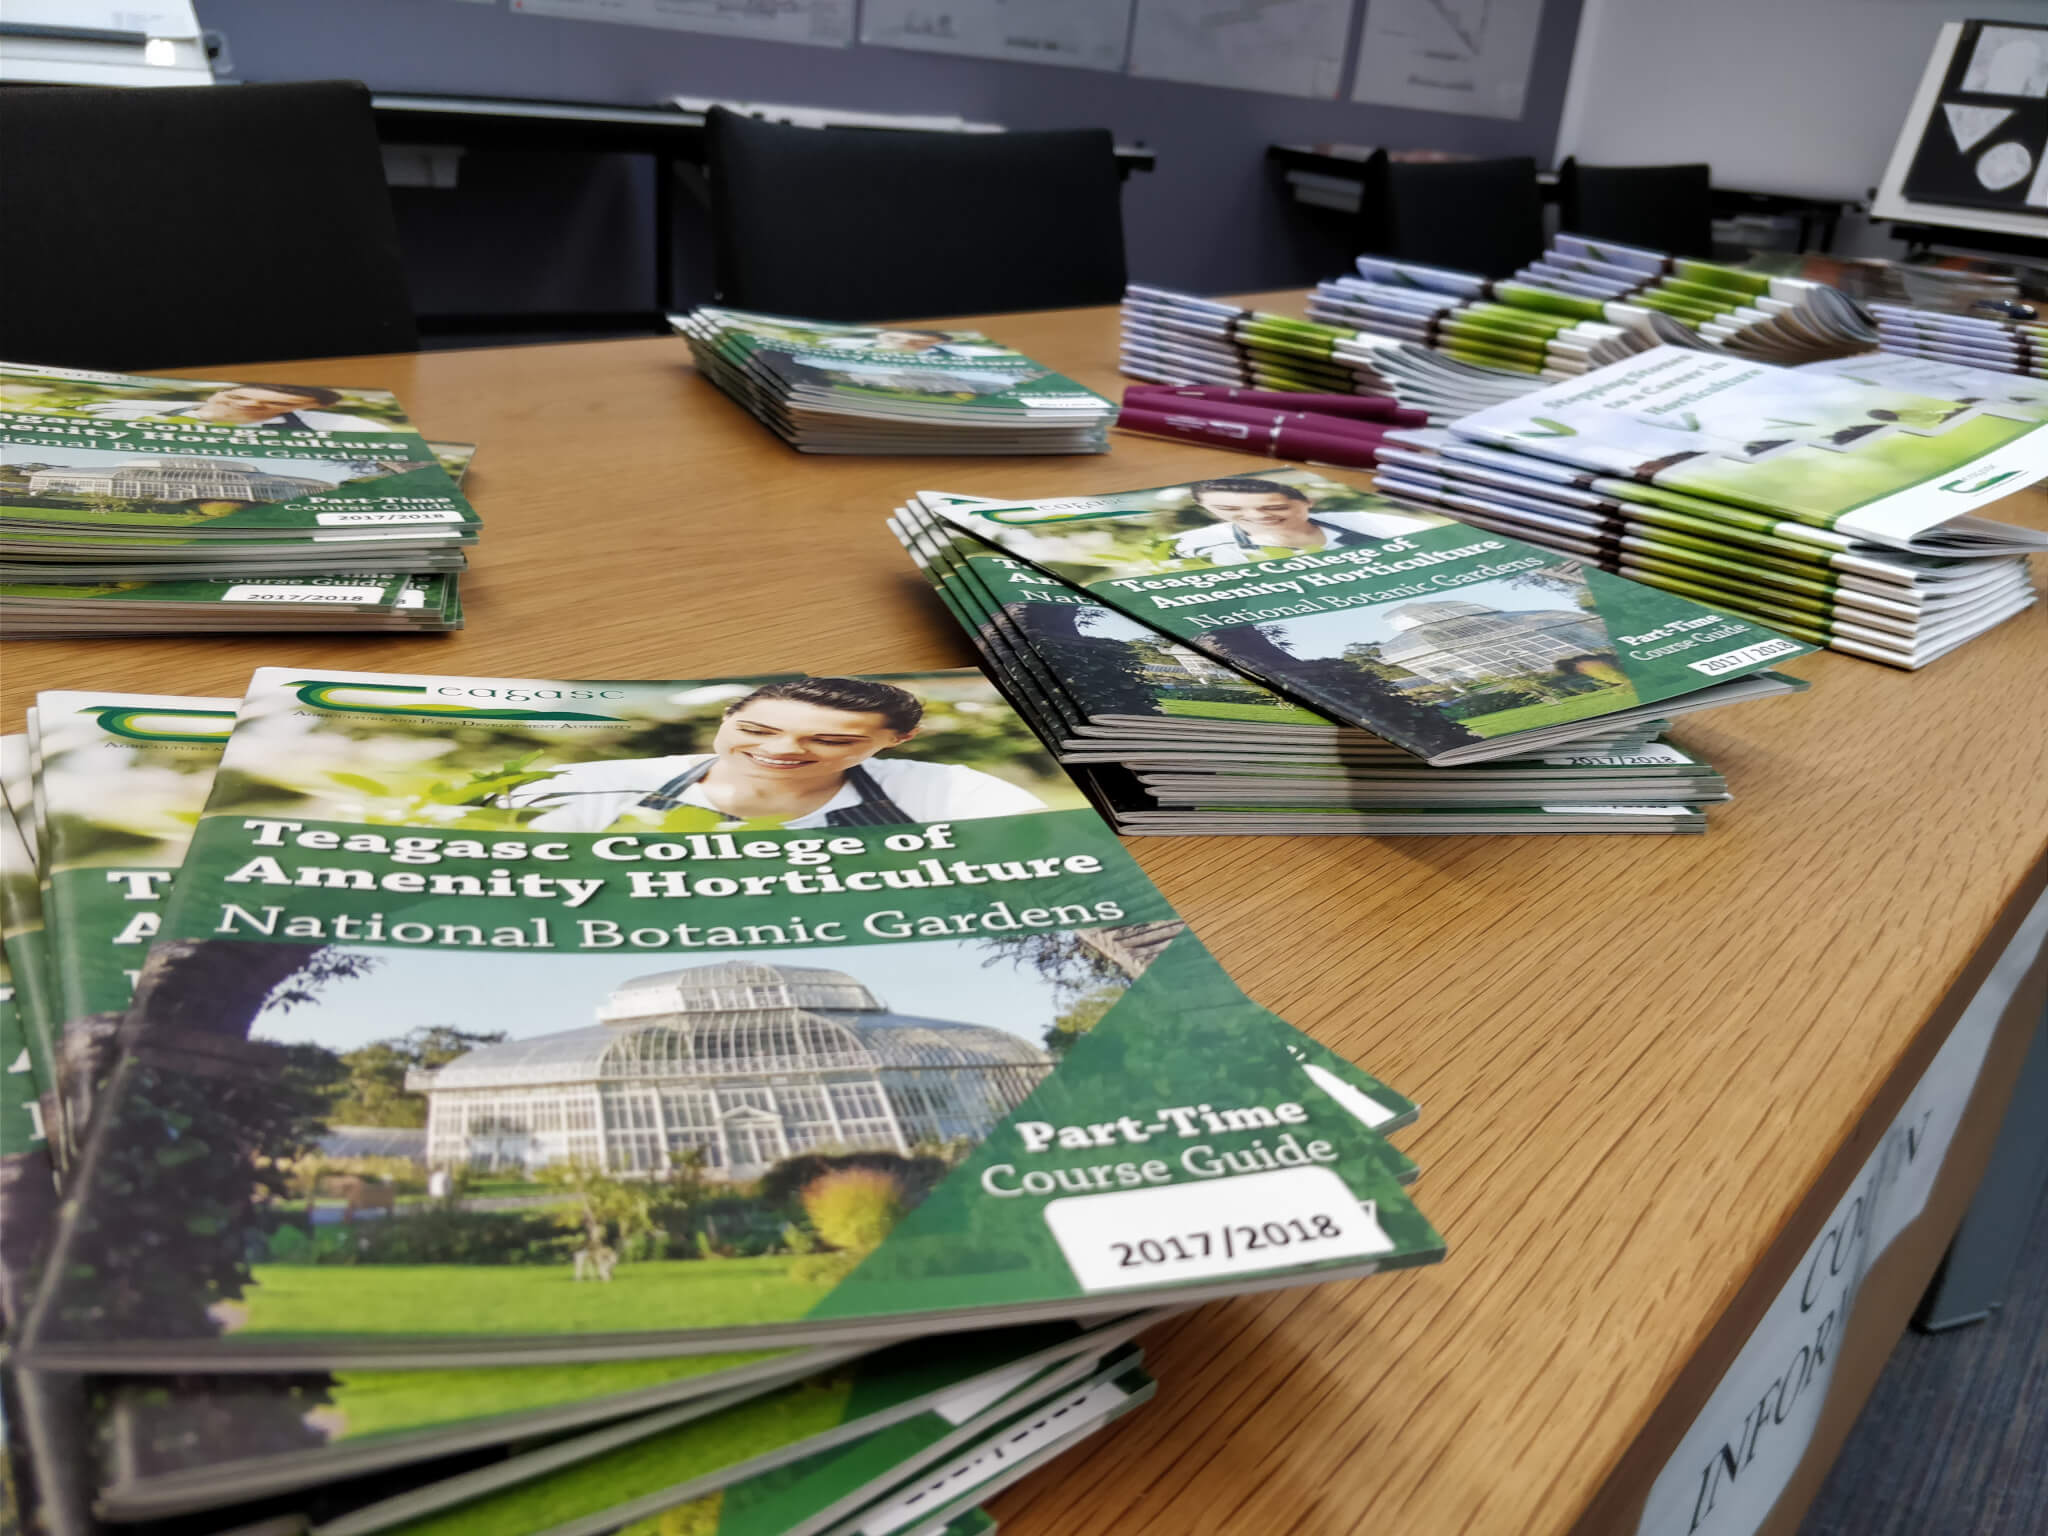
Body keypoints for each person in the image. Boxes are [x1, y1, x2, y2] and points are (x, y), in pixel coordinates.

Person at [506, 677, 1046, 833]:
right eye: (757, 729)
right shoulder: (581, 789)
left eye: (831, 740)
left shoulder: (953, 794)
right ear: (726, 718)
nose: (781, 751)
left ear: (899, 739)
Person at [1168, 478, 1435, 567]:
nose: (1257, 517)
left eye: (1275, 507)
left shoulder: (1365, 523)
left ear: (1309, 501)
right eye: (1228, 509)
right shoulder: (1194, 548)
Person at [81, 382, 394, 433]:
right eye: (236, 398)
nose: (251, 406)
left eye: (272, 405)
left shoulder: (350, 428)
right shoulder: (118, 410)